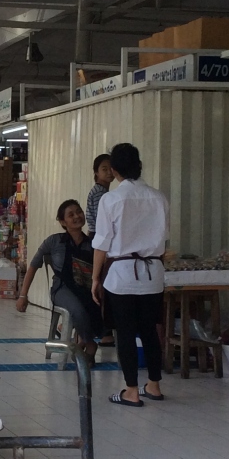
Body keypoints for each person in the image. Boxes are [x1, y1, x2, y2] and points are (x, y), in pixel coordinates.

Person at [91, 142, 169, 407]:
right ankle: (154, 385)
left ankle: (132, 390)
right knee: (150, 331)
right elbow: (163, 239)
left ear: (114, 170)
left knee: (124, 333)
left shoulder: (111, 199)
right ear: (140, 166)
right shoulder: (159, 198)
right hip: (153, 275)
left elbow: (102, 244)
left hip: (121, 277)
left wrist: (95, 278)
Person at [17, 200, 103, 362]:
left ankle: (81, 341)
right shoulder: (54, 241)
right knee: (78, 311)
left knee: (105, 306)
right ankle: (90, 344)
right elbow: (34, 266)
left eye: (79, 212)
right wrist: (23, 295)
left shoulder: (92, 244)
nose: (77, 216)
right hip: (62, 290)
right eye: (71, 215)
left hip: (86, 288)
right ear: (63, 222)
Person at [84, 154, 114, 235]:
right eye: (104, 169)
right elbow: (101, 217)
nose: (109, 172)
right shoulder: (99, 192)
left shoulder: (101, 190)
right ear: (96, 172)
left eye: (111, 168)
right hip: (98, 233)